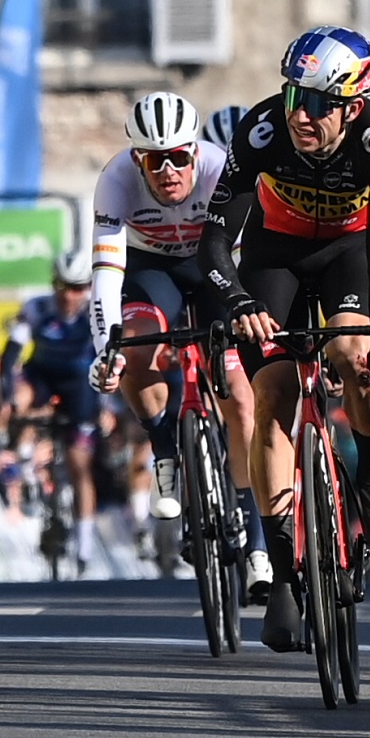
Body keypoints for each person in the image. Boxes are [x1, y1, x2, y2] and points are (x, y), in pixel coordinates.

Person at [198, 27, 370, 652]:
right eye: (295, 96)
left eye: (319, 103)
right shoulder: (261, 130)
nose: (301, 115)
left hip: (350, 249)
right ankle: (287, 573)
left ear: (351, 105)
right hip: (276, 252)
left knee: (357, 361)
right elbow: (214, 242)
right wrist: (237, 302)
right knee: (271, 395)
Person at [86, 92, 270, 602]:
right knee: (135, 352)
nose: (168, 170)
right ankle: (165, 450)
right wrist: (106, 349)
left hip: (214, 267)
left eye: (179, 157)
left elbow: (252, 256)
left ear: (195, 151)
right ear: (136, 159)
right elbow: (104, 277)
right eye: (154, 159)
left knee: (239, 394)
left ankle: (257, 542)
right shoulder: (115, 181)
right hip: (151, 271)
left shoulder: (219, 169)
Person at [4, 251, 99, 571]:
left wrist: (111, 404)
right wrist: (7, 397)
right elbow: (10, 357)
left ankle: (84, 544)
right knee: (21, 397)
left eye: (78, 287)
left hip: (80, 383)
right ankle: (27, 471)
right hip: (42, 375)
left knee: (78, 464)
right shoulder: (36, 308)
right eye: (63, 286)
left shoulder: (95, 310)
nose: (70, 295)